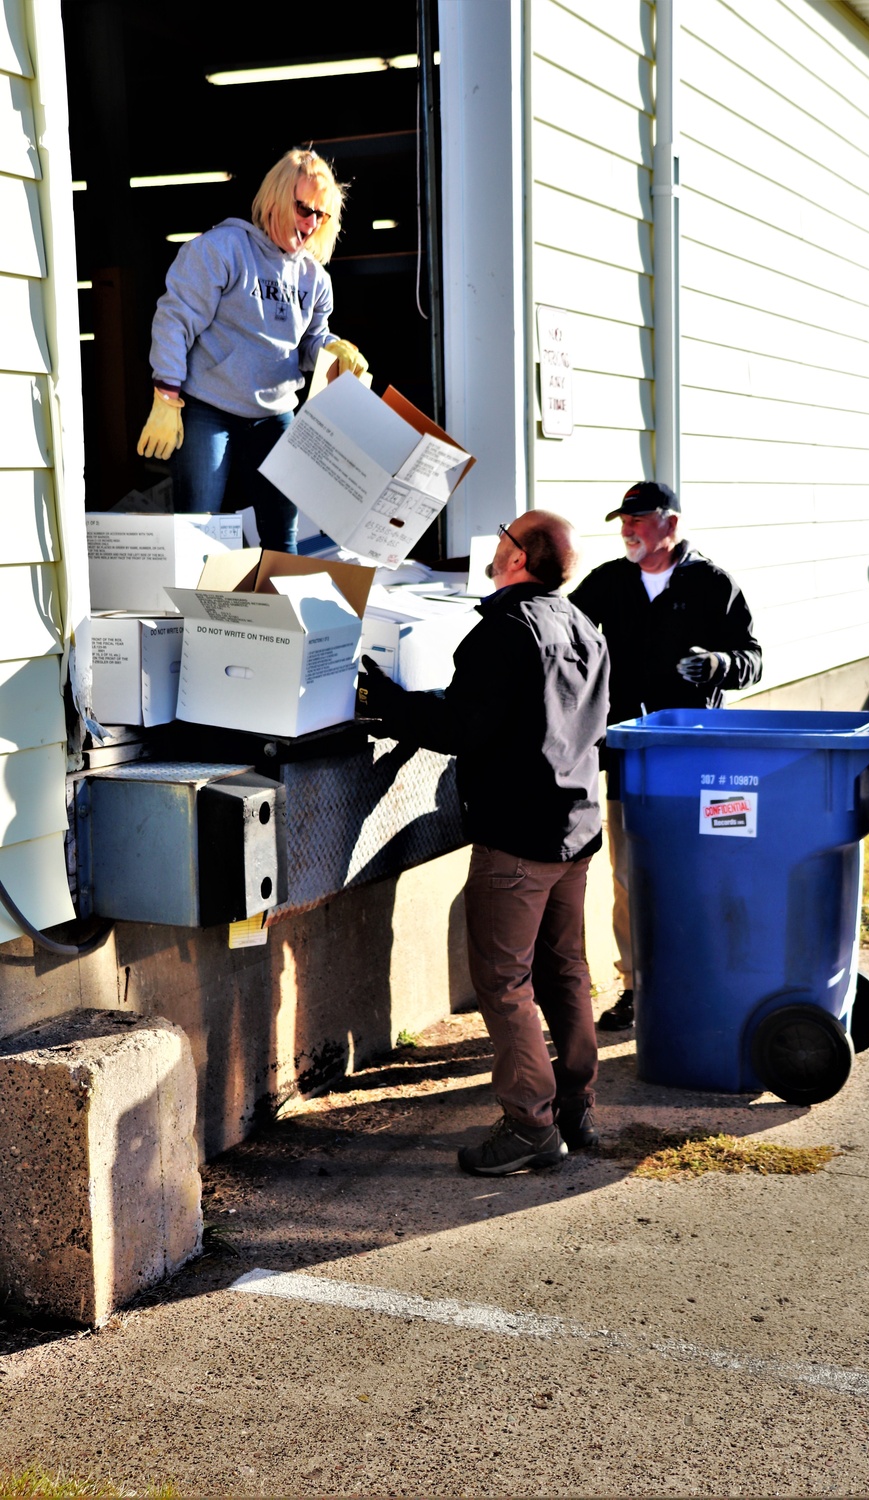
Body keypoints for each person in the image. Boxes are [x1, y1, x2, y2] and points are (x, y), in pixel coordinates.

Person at [359, 511, 611, 1176]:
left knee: (505, 983)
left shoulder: (503, 630)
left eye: (506, 533)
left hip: (520, 843)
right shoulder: (584, 626)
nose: (495, 542)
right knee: (566, 973)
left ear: (519, 557)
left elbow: (461, 726)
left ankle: (530, 1125)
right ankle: (576, 1108)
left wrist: (385, 699)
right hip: (575, 832)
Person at [569, 480, 763, 1031]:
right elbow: (567, 636)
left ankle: (710, 976)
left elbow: (752, 655)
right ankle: (637, 986)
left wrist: (719, 664)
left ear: (670, 523)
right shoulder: (609, 582)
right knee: (629, 875)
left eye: (638, 519)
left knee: (708, 869)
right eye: (622, 521)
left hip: (700, 758)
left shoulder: (712, 584)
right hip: (629, 757)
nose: (627, 530)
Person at [136, 146, 369, 553]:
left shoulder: (315, 278)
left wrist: (335, 349)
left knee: (283, 534)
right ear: (277, 197)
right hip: (210, 407)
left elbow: (311, 340)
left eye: (321, 214)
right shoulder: (221, 250)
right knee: (198, 527)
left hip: (275, 413)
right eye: (302, 208)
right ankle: (196, 616)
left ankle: (283, 614)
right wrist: (166, 394)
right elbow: (176, 318)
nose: (310, 223)